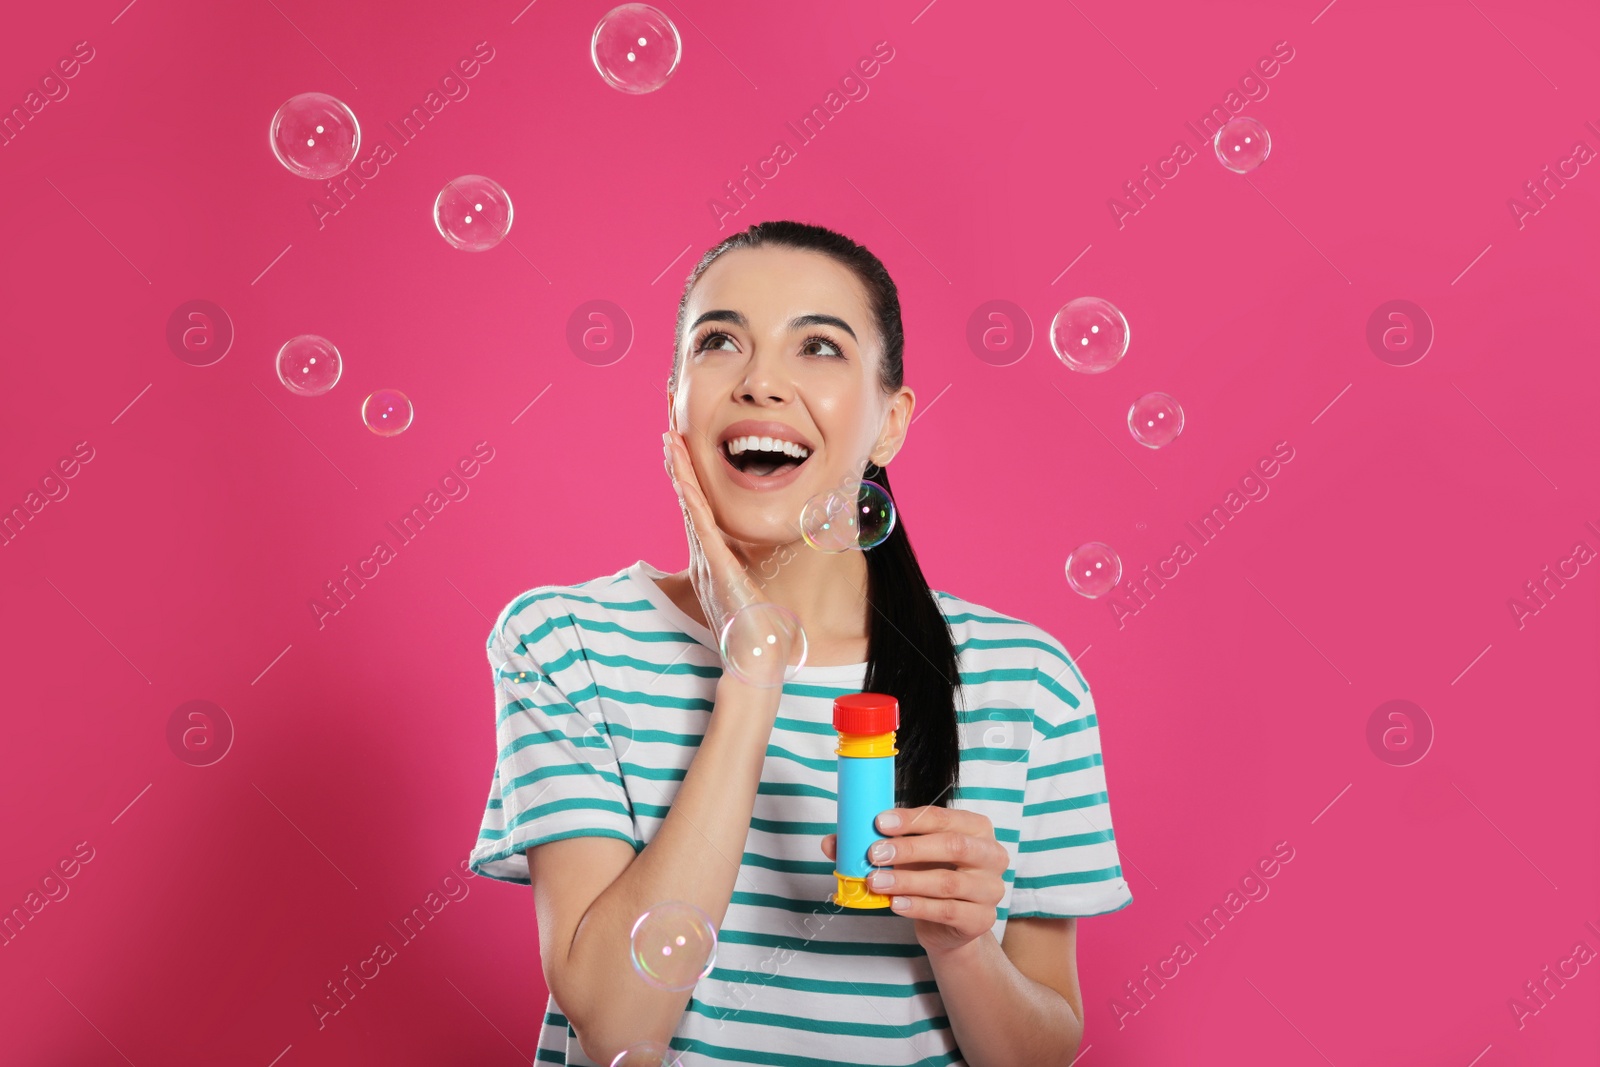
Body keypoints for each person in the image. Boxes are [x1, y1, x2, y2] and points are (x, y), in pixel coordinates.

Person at [467, 220, 1133, 1066]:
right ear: (672, 400)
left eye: (818, 346)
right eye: (718, 342)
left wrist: (961, 945)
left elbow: (1039, 1052)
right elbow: (615, 1023)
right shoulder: (565, 643)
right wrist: (752, 671)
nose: (760, 383)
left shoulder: (1026, 683)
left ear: (889, 424)